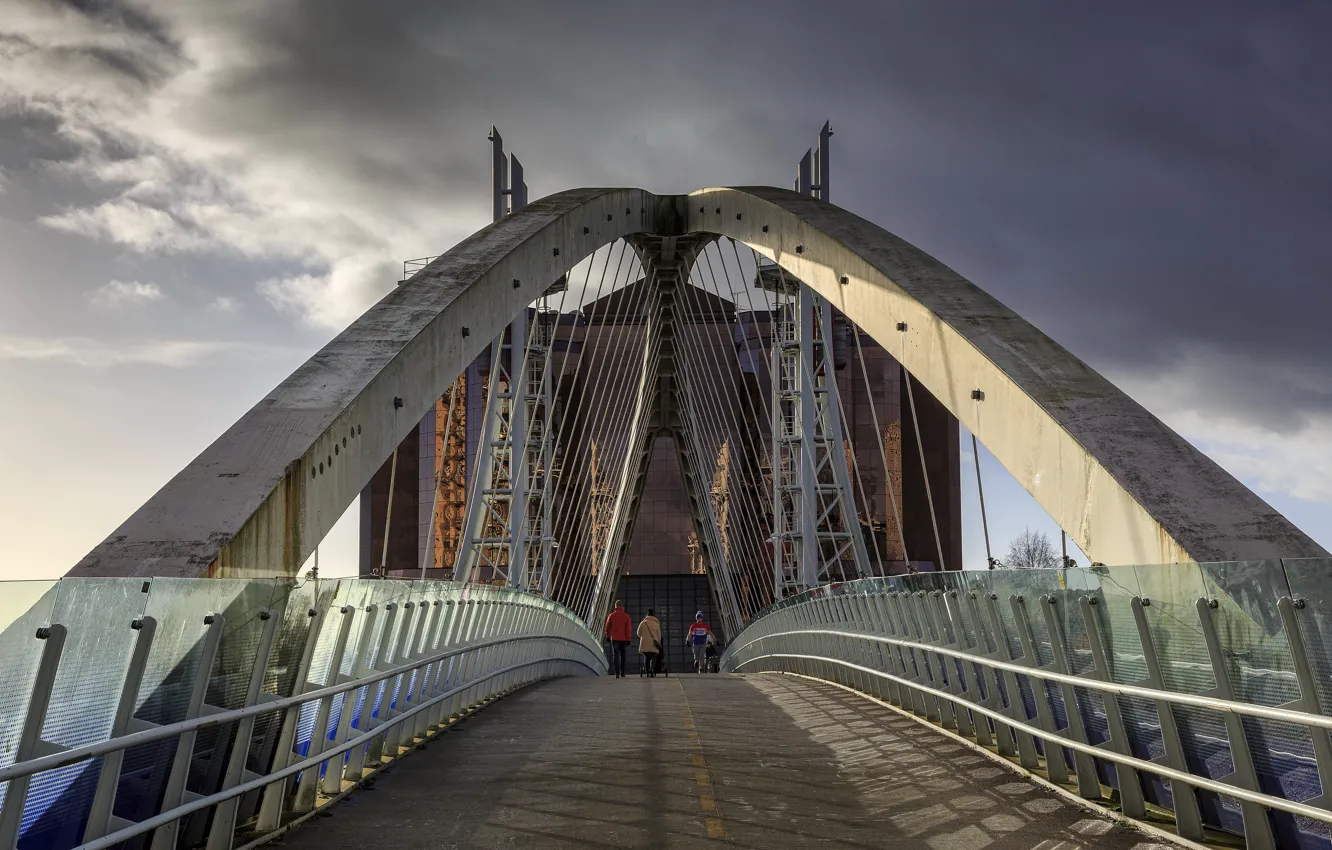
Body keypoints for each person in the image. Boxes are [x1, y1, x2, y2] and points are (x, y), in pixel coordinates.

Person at [604, 600, 633, 678]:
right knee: (623, 655)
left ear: (615, 606)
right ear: (622, 606)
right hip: (623, 639)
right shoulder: (626, 616)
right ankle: (623, 672)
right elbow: (628, 629)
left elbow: (607, 627)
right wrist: (629, 639)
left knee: (616, 655)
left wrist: (608, 636)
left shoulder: (611, 615)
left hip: (615, 638)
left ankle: (617, 673)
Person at [637, 607, 662, 678]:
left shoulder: (643, 623)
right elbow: (659, 636)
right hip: (654, 644)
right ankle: (652, 670)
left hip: (645, 644)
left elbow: (638, 633)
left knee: (646, 657)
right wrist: (658, 642)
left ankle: (647, 671)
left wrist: (644, 635)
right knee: (653, 657)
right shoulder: (656, 624)